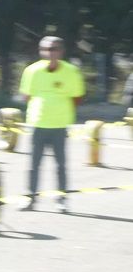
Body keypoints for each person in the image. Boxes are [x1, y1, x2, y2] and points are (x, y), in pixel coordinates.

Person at [18, 36, 85, 212]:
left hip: (59, 125)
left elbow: (77, 97)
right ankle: (30, 198)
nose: (50, 53)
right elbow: (27, 96)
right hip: (38, 123)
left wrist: (60, 109)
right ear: (41, 51)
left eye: (54, 49)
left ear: (61, 51)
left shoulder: (71, 71)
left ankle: (61, 199)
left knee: (60, 165)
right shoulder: (32, 71)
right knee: (34, 164)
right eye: (46, 49)